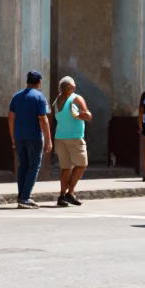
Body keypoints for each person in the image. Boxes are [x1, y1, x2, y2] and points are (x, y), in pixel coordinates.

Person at [8, 70, 52, 209]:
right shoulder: (39, 97)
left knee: (23, 167)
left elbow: (10, 118)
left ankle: (22, 196)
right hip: (34, 137)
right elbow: (43, 119)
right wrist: (48, 139)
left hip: (19, 137)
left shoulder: (16, 96)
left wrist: (12, 137)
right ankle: (25, 198)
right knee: (34, 167)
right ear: (39, 82)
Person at [51, 76, 93, 207]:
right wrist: (83, 115)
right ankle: (71, 192)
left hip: (60, 137)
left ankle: (62, 196)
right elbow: (87, 115)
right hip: (74, 138)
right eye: (73, 86)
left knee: (65, 168)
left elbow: (55, 119)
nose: (75, 87)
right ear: (70, 87)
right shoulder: (76, 98)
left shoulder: (56, 102)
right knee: (82, 164)